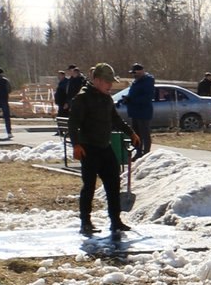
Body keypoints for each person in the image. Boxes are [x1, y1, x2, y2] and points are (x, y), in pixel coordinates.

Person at [67, 63, 138, 238]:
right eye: (107, 82)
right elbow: (73, 124)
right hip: (88, 149)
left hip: (105, 148)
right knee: (89, 186)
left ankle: (116, 221)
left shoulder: (106, 99)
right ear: (97, 80)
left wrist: (131, 132)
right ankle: (86, 222)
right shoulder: (82, 98)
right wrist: (76, 144)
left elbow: (115, 119)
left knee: (113, 185)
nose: (110, 85)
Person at [124, 62, 157, 157]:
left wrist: (132, 100)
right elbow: (133, 94)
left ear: (141, 71)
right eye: (133, 73)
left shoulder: (148, 81)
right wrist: (127, 98)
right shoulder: (136, 82)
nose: (134, 75)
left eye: (135, 73)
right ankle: (138, 152)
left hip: (144, 111)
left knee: (145, 133)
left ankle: (146, 153)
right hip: (135, 111)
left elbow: (147, 97)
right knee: (137, 134)